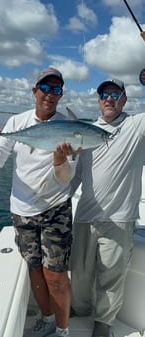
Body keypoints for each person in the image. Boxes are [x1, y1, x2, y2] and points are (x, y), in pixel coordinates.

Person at [0, 68, 80, 337]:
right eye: (45, 88)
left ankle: (63, 331)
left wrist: (60, 160)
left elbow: (65, 179)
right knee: (34, 269)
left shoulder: (69, 128)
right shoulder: (16, 123)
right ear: (34, 91)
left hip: (56, 207)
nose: (50, 94)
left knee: (56, 275)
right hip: (22, 210)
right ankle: (47, 318)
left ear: (61, 96)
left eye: (56, 90)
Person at [55, 78, 145, 337]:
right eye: (104, 94)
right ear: (98, 100)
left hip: (119, 218)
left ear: (125, 100)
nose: (109, 98)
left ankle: (104, 322)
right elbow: (76, 176)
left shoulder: (136, 126)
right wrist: (58, 204)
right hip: (84, 215)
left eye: (115, 94)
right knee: (80, 273)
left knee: (111, 277)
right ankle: (81, 309)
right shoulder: (85, 131)